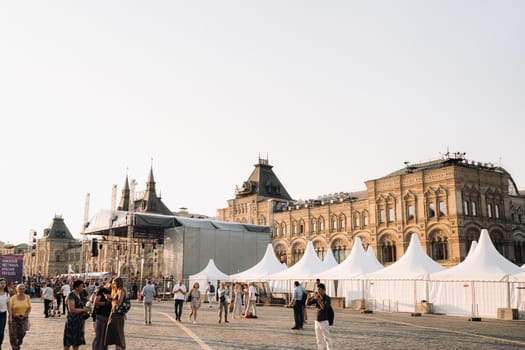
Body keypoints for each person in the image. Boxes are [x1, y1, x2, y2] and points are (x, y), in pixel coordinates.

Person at [63, 279, 89, 350]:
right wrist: (83, 310)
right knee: (68, 342)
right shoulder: (71, 295)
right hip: (72, 321)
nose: (83, 287)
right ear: (76, 287)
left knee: (76, 343)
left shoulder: (80, 294)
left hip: (79, 321)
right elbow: (71, 309)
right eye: (81, 286)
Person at [306, 283, 333, 350]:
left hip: (324, 320)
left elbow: (324, 308)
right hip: (317, 320)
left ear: (324, 290)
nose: (318, 291)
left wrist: (318, 299)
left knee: (327, 338)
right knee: (318, 339)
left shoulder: (327, 298)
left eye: (319, 289)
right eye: (317, 289)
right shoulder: (317, 297)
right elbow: (307, 304)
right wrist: (308, 297)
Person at [104, 277, 126, 350]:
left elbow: (119, 303)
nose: (113, 284)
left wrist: (111, 298)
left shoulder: (121, 291)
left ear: (118, 283)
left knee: (118, 335)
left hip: (117, 315)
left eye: (114, 283)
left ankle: (120, 347)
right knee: (117, 334)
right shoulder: (117, 290)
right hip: (114, 313)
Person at [8, 284, 31, 350]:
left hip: (24, 318)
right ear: (17, 289)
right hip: (14, 318)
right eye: (20, 289)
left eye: (23, 288)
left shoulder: (27, 297)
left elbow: (29, 307)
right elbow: (10, 308)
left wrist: (26, 314)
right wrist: (14, 314)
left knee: (22, 333)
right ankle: (15, 348)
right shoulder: (13, 298)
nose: (22, 290)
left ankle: (18, 344)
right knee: (13, 335)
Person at [93, 278, 112, 350]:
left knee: (105, 338)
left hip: (109, 316)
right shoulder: (102, 290)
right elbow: (96, 302)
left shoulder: (114, 291)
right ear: (108, 283)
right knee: (99, 337)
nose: (112, 286)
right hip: (101, 315)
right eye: (112, 284)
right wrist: (106, 302)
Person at [0, 278, 10, 349]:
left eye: (4, 283)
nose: (3, 285)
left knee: (1, 332)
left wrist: (11, 316)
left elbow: (8, 306)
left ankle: (0, 343)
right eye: (1, 283)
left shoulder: (7, 294)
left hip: (3, 315)